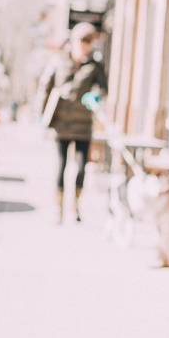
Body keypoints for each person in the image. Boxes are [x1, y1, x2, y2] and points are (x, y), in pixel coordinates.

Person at [35, 21, 107, 223]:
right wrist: (41, 114)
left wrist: (95, 95)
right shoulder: (58, 61)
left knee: (82, 167)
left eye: (89, 42)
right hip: (61, 123)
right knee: (61, 166)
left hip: (83, 124)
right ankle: (58, 210)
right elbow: (45, 87)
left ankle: (75, 206)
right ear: (74, 41)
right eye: (82, 41)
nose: (85, 46)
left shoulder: (95, 66)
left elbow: (103, 89)